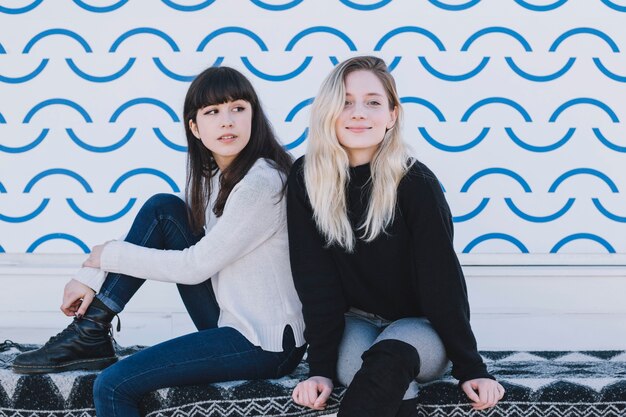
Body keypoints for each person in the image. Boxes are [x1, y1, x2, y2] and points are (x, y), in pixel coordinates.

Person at [13, 66, 306, 417]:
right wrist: (92, 274)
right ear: (195, 128)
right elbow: (173, 242)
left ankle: (89, 331)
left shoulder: (262, 182)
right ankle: (91, 329)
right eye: (213, 112)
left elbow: (195, 266)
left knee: (112, 384)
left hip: (266, 343)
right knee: (164, 210)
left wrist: (104, 258)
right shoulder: (213, 177)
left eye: (238, 108)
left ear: (254, 117)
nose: (227, 121)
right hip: (233, 316)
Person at [286, 56, 505, 417]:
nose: (359, 112)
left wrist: (471, 367)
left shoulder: (416, 183)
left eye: (373, 102)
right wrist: (320, 369)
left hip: (419, 326)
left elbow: (442, 280)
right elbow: (315, 281)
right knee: (366, 372)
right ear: (327, 112)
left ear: (392, 115)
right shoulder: (306, 179)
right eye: (345, 101)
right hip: (354, 323)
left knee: (389, 362)